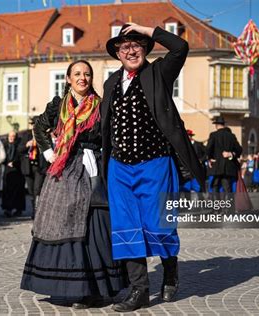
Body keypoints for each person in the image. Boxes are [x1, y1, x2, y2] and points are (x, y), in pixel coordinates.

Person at [101, 23, 205, 312]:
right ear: (117, 54)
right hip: (119, 168)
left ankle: (170, 271)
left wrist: (147, 29)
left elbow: (180, 47)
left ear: (145, 48)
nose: (131, 50)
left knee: (159, 225)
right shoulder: (110, 83)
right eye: (124, 47)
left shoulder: (159, 72)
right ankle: (140, 290)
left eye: (136, 45)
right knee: (126, 227)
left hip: (156, 163)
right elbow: (104, 126)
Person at [20, 60, 126, 309]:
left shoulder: (101, 106)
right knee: (60, 222)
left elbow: (111, 138)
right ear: (68, 78)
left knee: (93, 223)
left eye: (87, 74)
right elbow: (39, 126)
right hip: (64, 168)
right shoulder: (58, 105)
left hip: (91, 169)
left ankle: (96, 289)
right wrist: (48, 152)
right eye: (77, 74)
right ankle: (71, 286)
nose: (83, 78)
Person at [19, 117, 49, 219]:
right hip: (28, 167)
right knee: (31, 191)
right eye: (33, 124)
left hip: (39, 167)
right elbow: (19, 149)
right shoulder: (25, 135)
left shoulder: (44, 135)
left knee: (37, 190)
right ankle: (33, 210)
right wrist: (27, 145)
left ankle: (36, 212)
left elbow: (49, 151)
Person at [206, 116, 242, 194]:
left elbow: (208, 149)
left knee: (215, 186)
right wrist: (231, 154)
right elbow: (239, 150)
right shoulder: (231, 136)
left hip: (216, 165)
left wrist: (210, 158)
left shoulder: (213, 135)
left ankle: (217, 205)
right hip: (228, 167)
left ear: (216, 125)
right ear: (223, 125)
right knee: (227, 188)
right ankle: (228, 205)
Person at [2, 131, 25, 217]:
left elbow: (21, 156)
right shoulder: (5, 145)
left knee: (18, 191)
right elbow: (2, 156)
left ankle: (18, 209)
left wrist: (14, 163)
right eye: (10, 136)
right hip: (8, 170)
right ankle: (8, 209)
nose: (11, 138)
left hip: (17, 170)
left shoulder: (19, 144)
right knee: (7, 190)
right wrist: (6, 163)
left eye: (13, 136)